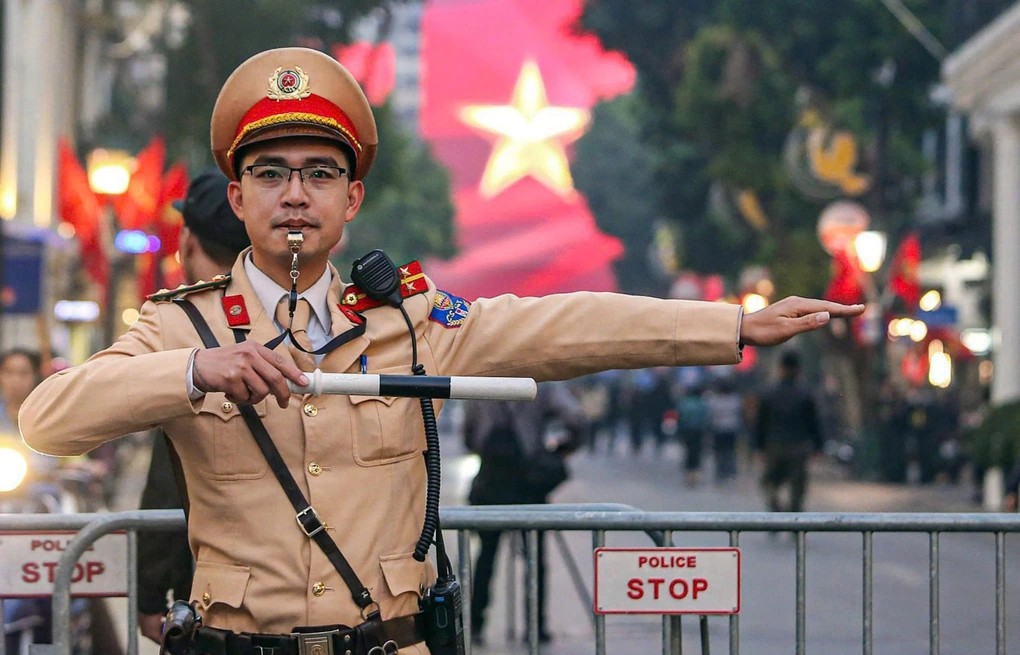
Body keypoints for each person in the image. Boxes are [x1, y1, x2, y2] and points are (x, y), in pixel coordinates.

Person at [19, 46, 863, 655]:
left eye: (319, 172)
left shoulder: (408, 319)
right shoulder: (184, 327)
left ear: (352, 198)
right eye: (271, 173)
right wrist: (199, 373)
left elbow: (558, 328)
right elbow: (49, 419)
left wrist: (733, 326)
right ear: (236, 196)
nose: (295, 195)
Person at [136, 169, 251, 644]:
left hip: (208, 594)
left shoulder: (175, 328)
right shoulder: (287, 314)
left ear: (186, 240)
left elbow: (169, 477)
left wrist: (147, 594)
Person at [463, 382, 588, 645]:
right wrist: (559, 450)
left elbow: (470, 436)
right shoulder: (540, 383)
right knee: (534, 557)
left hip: (492, 479)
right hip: (528, 480)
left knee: (486, 556)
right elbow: (576, 419)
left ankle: (476, 624)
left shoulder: (483, 380)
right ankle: (536, 626)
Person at [754, 351, 823, 513]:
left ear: (781, 368)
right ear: (798, 369)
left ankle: (775, 508)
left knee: (769, 481)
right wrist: (818, 447)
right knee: (797, 485)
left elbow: (760, 423)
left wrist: (758, 447)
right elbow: (813, 423)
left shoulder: (768, 393)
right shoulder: (805, 394)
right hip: (799, 446)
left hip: (774, 445)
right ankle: (794, 519)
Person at [706, 378, 744, 483]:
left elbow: (710, 415)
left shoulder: (714, 400)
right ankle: (730, 471)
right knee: (730, 451)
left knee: (719, 452)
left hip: (718, 429)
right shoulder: (735, 400)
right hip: (731, 429)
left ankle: (720, 472)